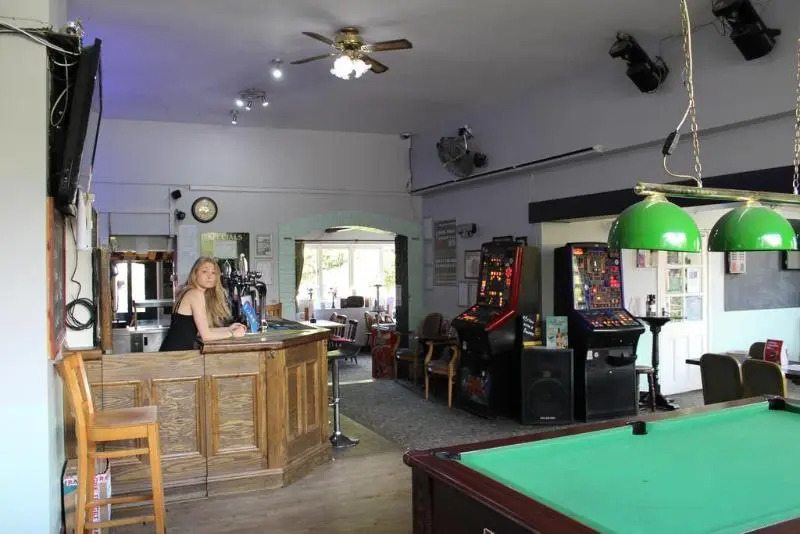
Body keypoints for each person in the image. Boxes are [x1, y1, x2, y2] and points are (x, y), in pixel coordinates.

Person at [160, 257, 247, 351]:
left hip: (172, 352)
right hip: (175, 354)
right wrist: (233, 334)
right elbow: (206, 336)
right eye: (204, 271)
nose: (209, 276)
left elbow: (197, 331)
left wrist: (228, 329)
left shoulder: (189, 291)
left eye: (213, 273)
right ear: (195, 274)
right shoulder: (195, 294)